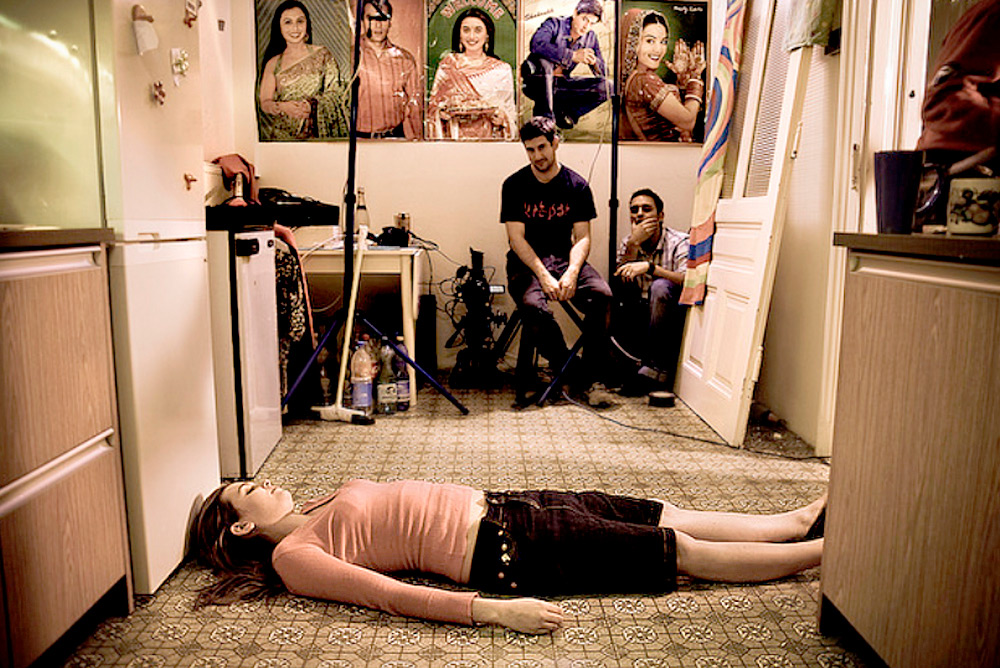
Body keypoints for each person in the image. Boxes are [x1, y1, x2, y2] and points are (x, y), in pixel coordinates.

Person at [191, 478, 826, 634]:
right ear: (243, 526)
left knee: (661, 514)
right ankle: (833, 552)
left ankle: (794, 523)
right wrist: (494, 612)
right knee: (674, 551)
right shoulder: (295, 557)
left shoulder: (317, 504)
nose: (262, 482)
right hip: (506, 549)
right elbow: (388, 596)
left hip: (509, 503)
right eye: (247, 489)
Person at [502, 117, 615, 407]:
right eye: (530, 150)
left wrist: (573, 272)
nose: (537, 156)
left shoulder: (577, 185)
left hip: (565, 258)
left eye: (542, 147)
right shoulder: (514, 185)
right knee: (532, 306)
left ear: (555, 143)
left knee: (602, 296)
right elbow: (516, 239)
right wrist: (543, 276)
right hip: (526, 263)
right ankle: (569, 368)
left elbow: (583, 237)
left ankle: (594, 378)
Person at [613, 189, 689, 397]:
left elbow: (686, 279)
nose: (639, 214)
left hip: (670, 312)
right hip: (640, 312)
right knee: (613, 292)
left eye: (646, 209)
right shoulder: (629, 242)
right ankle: (628, 365)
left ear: (660, 215)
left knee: (660, 286)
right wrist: (633, 245)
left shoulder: (679, 241)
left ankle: (656, 368)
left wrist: (650, 268)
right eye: (634, 210)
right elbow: (620, 282)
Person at [258, 0, 350, 141]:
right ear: (279, 27)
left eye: (300, 21)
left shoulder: (323, 55)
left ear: (307, 24)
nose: (295, 28)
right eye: (288, 22)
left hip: (319, 138)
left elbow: (336, 93)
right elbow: (265, 103)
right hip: (283, 139)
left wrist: (311, 106)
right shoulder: (273, 63)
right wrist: (282, 107)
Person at [427, 7, 517, 140]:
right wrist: (441, 114)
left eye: (478, 30)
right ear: (459, 34)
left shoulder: (501, 70)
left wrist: (503, 119)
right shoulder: (448, 66)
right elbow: (433, 109)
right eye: (466, 30)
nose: (472, 36)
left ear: (487, 35)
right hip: (455, 141)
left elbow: (511, 113)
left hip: (490, 141)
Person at [619, 9, 706, 142]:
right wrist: (695, 78)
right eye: (650, 41)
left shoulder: (634, 78)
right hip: (661, 153)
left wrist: (683, 79)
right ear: (633, 42)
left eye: (663, 42)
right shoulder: (645, 81)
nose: (658, 49)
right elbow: (687, 122)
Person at [521, 0, 610, 129]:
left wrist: (595, 62)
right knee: (545, 62)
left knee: (609, 86)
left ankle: (566, 113)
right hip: (536, 82)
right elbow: (537, 44)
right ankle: (545, 119)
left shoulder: (590, 37)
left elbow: (604, 73)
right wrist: (572, 56)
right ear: (575, 13)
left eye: (592, 23)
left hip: (562, 84)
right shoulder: (554, 23)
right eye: (584, 19)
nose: (586, 26)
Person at [356, 0, 421, 139]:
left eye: (383, 19)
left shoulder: (405, 59)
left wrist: (419, 141)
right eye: (371, 19)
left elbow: (415, 108)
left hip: (394, 139)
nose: (378, 25)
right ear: (362, 21)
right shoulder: (349, 57)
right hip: (359, 140)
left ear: (390, 22)